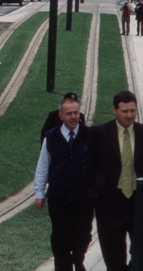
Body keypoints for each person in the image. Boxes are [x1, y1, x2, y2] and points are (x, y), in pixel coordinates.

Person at [84, 91, 143, 271]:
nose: (129, 115)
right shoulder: (98, 133)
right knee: (113, 257)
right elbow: (88, 169)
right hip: (109, 204)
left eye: (132, 110)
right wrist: (94, 196)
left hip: (140, 203)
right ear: (114, 110)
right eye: (124, 111)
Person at [35, 96, 94, 271]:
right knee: (60, 236)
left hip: (83, 198)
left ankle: (78, 258)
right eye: (69, 114)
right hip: (58, 197)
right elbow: (43, 165)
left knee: (83, 235)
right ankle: (64, 266)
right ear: (61, 116)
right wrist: (39, 192)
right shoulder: (51, 137)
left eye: (76, 113)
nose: (73, 117)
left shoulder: (89, 135)